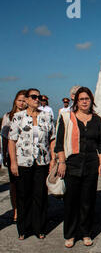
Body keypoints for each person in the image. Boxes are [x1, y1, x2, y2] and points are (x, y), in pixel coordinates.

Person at [55, 87, 101, 248]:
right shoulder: (67, 118)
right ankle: (70, 234)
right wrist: (62, 162)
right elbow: (59, 143)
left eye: (87, 98)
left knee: (88, 201)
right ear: (76, 101)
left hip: (91, 164)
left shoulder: (97, 119)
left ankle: (86, 232)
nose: (84, 101)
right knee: (71, 201)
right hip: (72, 164)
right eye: (81, 99)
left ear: (91, 100)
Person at [8, 88, 56, 240]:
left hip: (42, 161)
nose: (37, 99)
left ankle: (39, 228)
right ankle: (23, 228)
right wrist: (13, 163)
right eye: (33, 97)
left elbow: (52, 138)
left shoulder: (47, 116)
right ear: (27, 99)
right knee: (24, 195)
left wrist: (53, 159)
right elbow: (12, 140)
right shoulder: (18, 117)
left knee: (40, 195)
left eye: (38, 97)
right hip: (23, 161)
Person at [2, 90, 28, 223]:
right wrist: (4, 155)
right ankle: (16, 210)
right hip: (12, 155)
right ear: (15, 101)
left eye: (24, 100)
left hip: (25, 154)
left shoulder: (28, 116)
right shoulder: (8, 116)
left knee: (26, 185)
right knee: (14, 185)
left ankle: (25, 210)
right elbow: (5, 137)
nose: (22, 103)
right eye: (19, 100)